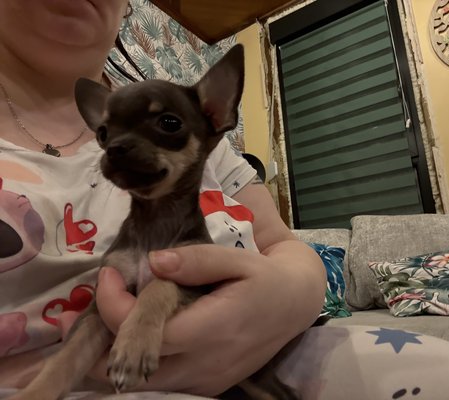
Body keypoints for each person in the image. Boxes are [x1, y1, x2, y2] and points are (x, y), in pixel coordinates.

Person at [0, 0, 326, 397]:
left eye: (166, 126)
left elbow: (280, 243)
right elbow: (98, 319)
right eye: (106, 135)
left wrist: (294, 293)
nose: (118, 146)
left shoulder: (200, 127)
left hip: (276, 363)